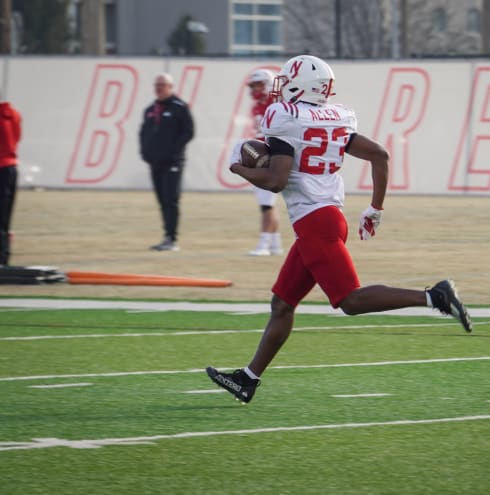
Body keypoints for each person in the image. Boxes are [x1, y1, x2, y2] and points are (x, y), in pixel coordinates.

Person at [206, 55, 472, 404]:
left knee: (350, 300)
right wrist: (375, 208)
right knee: (282, 304)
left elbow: (275, 180)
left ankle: (435, 296)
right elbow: (380, 155)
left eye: (287, 82)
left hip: (317, 223)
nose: (281, 88)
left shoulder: (286, 118)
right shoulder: (337, 117)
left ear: (301, 84)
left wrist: (238, 168)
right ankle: (248, 379)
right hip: (327, 218)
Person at [139, 73, 194, 251]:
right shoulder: (150, 110)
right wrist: (145, 152)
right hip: (155, 162)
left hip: (173, 162)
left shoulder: (179, 107)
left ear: (171, 87)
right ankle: (166, 236)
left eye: (163, 85)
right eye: (157, 85)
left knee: (171, 199)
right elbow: (143, 133)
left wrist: (173, 150)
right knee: (161, 199)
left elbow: (188, 132)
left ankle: (171, 238)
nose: (159, 88)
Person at [245, 69, 283, 256]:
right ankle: (275, 244)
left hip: (271, 156)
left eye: (257, 84)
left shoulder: (274, 104)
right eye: (252, 85)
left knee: (266, 204)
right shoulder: (257, 106)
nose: (253, 89)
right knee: (268, 203)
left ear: (267, 84)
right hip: (262, 155)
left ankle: (264, 244)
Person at [0, 97, 21, 267]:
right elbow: (17, 138)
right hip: (11, 168)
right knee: (4, 217)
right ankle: (3, 257)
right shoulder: (14, 114)